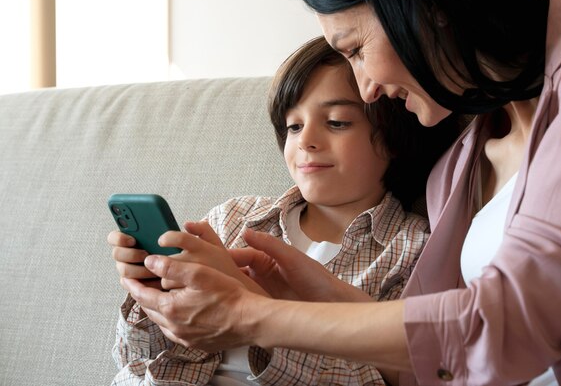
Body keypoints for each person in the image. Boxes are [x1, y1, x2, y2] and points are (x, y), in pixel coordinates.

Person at [120, 0, 561, 384]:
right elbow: (435, 362)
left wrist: (249, 316)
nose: (365, 90)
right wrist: (296, 298)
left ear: (429, 7)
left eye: (356, 50)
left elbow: (504, 322)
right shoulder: (456, 170)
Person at [108, 36, 460, 385]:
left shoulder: (412, 252)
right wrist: (151, 294)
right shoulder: (232, 219)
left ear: (394, 137)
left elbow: (382, 378)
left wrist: (257, 314)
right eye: (293, 125)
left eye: (337, 122)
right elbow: (132, 360)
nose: (306, 139)